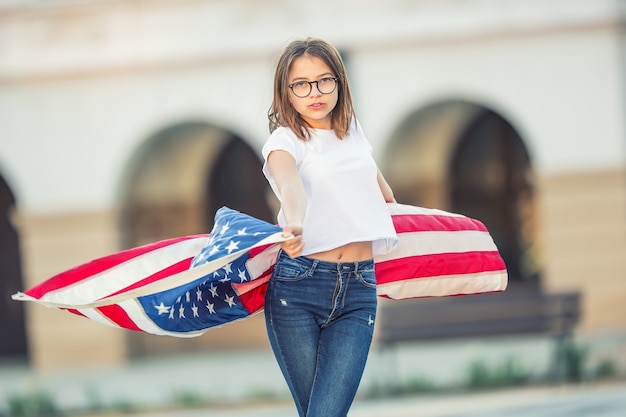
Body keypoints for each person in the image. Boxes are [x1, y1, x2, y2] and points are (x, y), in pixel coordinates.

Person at [261, 37, 398, 417]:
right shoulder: (284, 142)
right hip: (299, 286)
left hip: (359, 289)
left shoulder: (352, 131)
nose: (314, 93)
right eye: (301, 84)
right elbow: (290, 187)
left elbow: (385, 196)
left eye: (324, 81)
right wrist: (294, 222)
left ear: (340, 82)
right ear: (286, 92)